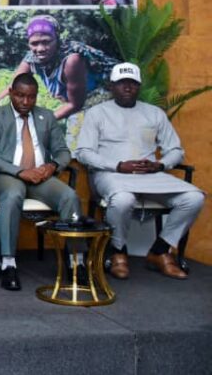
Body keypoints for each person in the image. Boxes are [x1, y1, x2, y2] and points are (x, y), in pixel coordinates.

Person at [75, 63, 205, 280]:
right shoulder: (97, 113)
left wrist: (160, 165)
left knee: (194, 197)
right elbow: (84, 153)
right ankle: (119, 252)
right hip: (111, 174)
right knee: (123, 200)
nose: (127, 88)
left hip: (150, 175)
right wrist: (117, 165)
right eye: (122, 83)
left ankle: (160, 251)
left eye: (132, 84)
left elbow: (175, 150)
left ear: (139, 87)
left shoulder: (154, 113)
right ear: (112, 86)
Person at [0, 73, 79, 291]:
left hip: (40, 177)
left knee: (69, 196)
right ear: (11, 93)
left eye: (31, 97)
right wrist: (20, 171)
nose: (25, 102)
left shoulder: (47, 117)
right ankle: (8, 263)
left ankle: (75, 262)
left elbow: (62, 151)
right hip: (5, 176)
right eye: (20, 96)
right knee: (13, 194)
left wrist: (51, 167)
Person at [0, 14, 117, 123]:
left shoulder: (72, 60)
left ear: (57, 39)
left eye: (46, 42)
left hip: (102, 98)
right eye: (34, 43)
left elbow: (75, 104)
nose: (40, 49)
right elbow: (14, 85)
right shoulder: (32, 57)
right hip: (76, 101)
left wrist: (39, 123)